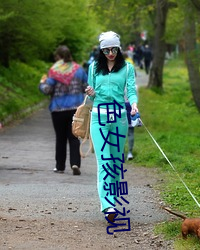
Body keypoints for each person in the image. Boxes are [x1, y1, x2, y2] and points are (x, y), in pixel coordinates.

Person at [85, 31, 138, 223]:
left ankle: (113, 200)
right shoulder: (93, 68)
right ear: (101, 50)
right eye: (106, 50)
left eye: (114, 49)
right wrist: (90, 92)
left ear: (119, 48)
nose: (110, 53)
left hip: (120, 118)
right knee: (105, 161)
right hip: (99, 117)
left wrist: (133, 104)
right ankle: (107, 205)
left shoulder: (127, 68)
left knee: (116, 163)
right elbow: (91, 97)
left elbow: (131, 90)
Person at [39, 45, 88, 175]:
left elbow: (47, 90)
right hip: (75, 109)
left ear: (58, 57)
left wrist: (42, 83)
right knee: (74, 137)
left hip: (58, 109)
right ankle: (75, 163)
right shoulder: (79, 70)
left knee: (60, 138)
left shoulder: (54, 71)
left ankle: (60, 166)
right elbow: (86, 87)